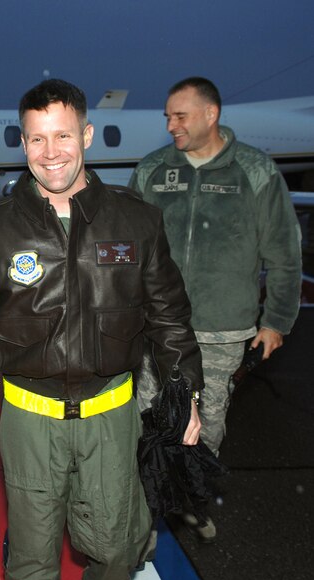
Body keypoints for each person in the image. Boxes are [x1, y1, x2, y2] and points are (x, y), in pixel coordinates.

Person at [0, 79, 204, 580]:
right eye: (37, 139)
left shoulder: (138, 222)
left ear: (88, 135)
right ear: (23, 143)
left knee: (118, 551)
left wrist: (185, 392)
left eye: (63, 136)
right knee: (32, 565)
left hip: (111, 417)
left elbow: (170, 319)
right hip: (31, 423)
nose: (51, 153)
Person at [130, 77, 302, 541]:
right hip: (157, 327)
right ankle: (145, 509)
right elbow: (128, 249)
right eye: (167, 116)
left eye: (180, 116)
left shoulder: (255, 172)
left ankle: (190, 500)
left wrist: (276, 321)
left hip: (221, 330)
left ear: (211, 114)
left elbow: (284, 254)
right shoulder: (152, 171)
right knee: (149, 419)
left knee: (205, 425)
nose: (171, 126)